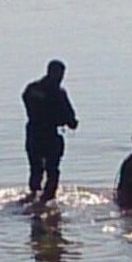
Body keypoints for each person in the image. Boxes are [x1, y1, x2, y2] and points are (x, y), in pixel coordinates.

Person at [22, 60, 78, 203]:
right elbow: (71, 120)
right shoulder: (58, 94)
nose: (61, 78)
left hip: (34, 133)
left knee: (36, 169)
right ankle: (47, 200)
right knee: (52, 171)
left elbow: (25, 98)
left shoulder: (32, 89)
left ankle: (34, 198)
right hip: (49, 135)